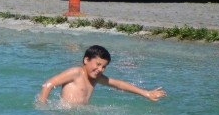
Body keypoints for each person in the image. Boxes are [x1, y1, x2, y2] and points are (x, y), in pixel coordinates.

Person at [37, 44, 166, 106]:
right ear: (86, 60)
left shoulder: (96, 78)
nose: (100, 69)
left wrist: (146, 93)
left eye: (104, 67)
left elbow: (119, 84)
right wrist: (42, 106)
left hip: (79, 114)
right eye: (98, 64)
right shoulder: (76, 72)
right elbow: (47, 85)